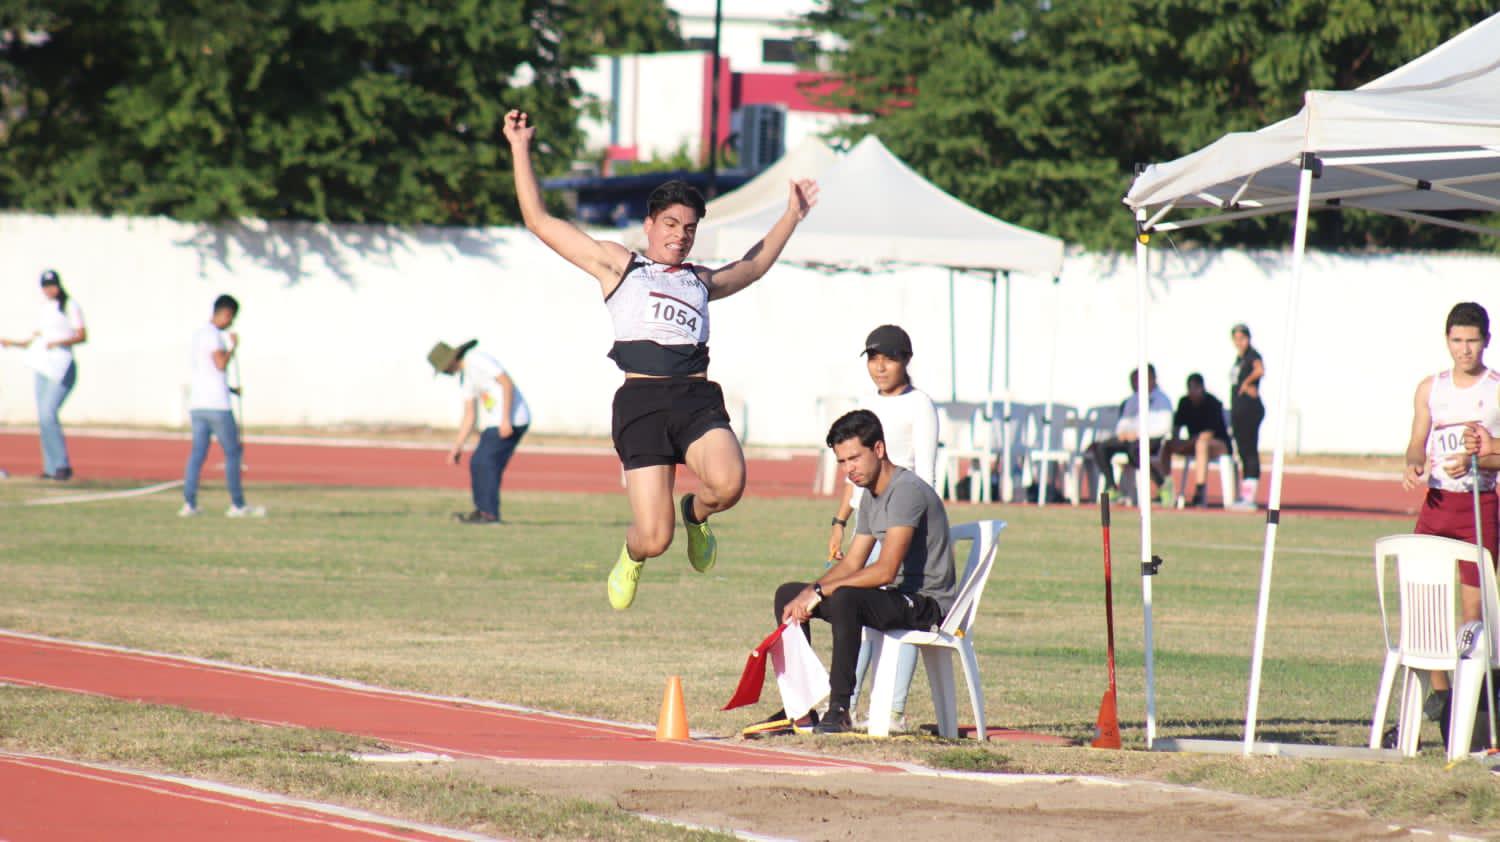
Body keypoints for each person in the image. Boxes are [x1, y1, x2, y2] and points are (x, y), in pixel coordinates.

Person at [503, 109, 818, 610]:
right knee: (654, 539)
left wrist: (791, 216)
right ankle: (632, 554)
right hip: (643, 403)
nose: (680, 234)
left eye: (690, 227)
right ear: (649, 225)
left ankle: (696, 513)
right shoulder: (617, 265)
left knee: (730, 484)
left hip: (695, 398)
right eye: (671, 223)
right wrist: (521, 148)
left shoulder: (700, 280)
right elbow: (540, 222)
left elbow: (753, 267)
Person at [754, 409, 956, 734]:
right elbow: (851, 563)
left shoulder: (906, 491)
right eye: (842, 462)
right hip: (889, 598)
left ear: (878, 449)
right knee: (788, 594)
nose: (849, 470)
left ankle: (839, 708)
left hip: (925, 604)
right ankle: (801, 708)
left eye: (854, 459)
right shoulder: (870, 494)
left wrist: (820, 592)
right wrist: (809, 592)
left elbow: (886, 570)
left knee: (847, 597)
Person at [825, 324, 937, 732]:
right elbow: (853, 475)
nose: (879, 367)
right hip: (868, 524)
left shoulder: (919, 405)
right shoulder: (866, 404)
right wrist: (840, 521)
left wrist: (912, 534)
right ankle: (845, 704)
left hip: (902, 524)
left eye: (888, 359)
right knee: (850, 610)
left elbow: (925, 473)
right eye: (873, 359)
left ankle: (891, 709)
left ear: (906, 360)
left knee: (897, 617)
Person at [1399, 302, 1500, 741]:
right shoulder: (1430, 388)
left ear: (1486, 342)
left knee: (1472, 613)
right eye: (1457, 340)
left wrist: (1483, 454)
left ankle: (1472, 701)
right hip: (1437, 504)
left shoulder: (1496, 389)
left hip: (1480, 506)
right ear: (1447, 341)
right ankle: (1440, 693)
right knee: (1423, 604)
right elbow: (1417, 440)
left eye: (1472, 340)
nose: (1464, 349)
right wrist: (1413, 463)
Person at [179, 295, 265, 518]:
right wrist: (233, 347)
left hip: (198, 403)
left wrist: (231, 389)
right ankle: (237, 504)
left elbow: (206, 372)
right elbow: (219, 364)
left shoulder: (198, 335)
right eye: (232, 317)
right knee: (233, 453)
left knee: (197, 453)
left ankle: (189, 503)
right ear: (226, 314)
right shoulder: (214, 336)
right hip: (217, 406)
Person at [428, 339, 531, 525]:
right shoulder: (465, 378)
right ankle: (483, 510)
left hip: (512, 420)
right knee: (478, 462)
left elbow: (506, 383)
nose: (444, 373)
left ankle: (489, 514)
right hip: (496, 423)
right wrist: (457, 446)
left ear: (450, 361)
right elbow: (470, 415)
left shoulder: (476, 359)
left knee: (486, 462)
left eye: (443, 369)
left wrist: (506, 419)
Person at [1, 270, 86, 480]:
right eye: (46, 286)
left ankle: (62, 465)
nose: (49, 290)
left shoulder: (69, 306)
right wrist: (13, 343)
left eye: (52, 285)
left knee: (49, 412)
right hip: (43, 366)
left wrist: (59, 342)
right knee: (43, 417)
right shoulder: (45, 309)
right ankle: (51, 466)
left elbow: (82, 335)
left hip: (61, 366)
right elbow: (35, 338)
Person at [1087, 365, 1173, 506]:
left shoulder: (1162, 400)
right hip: (1129, 439)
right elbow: (1124, 423)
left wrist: (1139, 433)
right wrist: (1124, 433)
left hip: (1152, 439)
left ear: (1151, 379)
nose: (1135, 384)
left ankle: (1161, 484)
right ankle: (1111, 486)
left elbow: (1164, 427)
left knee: (1136, 451)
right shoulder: (1132, 400)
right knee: (1101, 447)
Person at [1159, 373, 1232, 508]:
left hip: (1218, 443)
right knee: (1168, 445)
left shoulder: (1212, 403)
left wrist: (1188, 443)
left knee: (1201, 444)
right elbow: (1176, 428)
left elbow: (1208, 434)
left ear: (1202, 388)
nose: (1193, 392)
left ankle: (1200, 490)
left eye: (1196, 388)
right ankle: (1166, 485)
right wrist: (1177, 441)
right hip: (1194, 442)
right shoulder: (1184, 402)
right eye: (1190, 389)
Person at [1229, 323, 1266, 510]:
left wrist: (1247, 382)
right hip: (1239, 410)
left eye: (1242, 338)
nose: (1239, 343)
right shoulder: (1239, 359)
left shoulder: (1252, 356)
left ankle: (1249, 496)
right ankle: (1244, 494)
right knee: (1242, 450)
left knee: (1250, 449)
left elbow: (1260, 370)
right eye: (1236, 339)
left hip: (1249, 409)